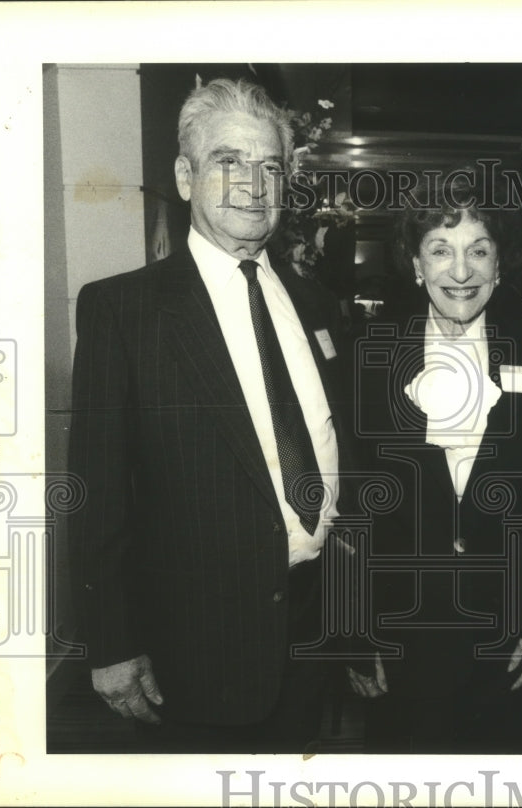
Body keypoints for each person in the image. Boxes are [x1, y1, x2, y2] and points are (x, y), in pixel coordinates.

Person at [67, 77, 351, 753]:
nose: (254, 183)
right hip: (195, 655)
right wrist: (111, 644)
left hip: (314, 634)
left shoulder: (315, 304)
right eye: (229, 161)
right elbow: (96, 493)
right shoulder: (125, 312)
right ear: (185, 176)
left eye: (270, 166)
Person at [346, 175, 522, 753]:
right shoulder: (368, 357)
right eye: (441, 251)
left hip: (506, 629)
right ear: (416, 265)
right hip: (399, 626)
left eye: (479, 249)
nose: (461, 271)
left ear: (500, 263)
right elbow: (350, 502)